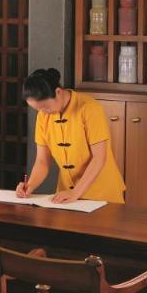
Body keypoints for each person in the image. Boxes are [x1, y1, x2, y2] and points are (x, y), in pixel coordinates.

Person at [17, 68, 125, 204]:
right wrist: (30, 186)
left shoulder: (90, 108)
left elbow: (99, 157)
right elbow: (42, 161)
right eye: (38, 109)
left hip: (102, 193)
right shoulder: (43, 116)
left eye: (46, 107)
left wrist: (76, 192)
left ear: (58, 92)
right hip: (66, 195)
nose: (43, 113)